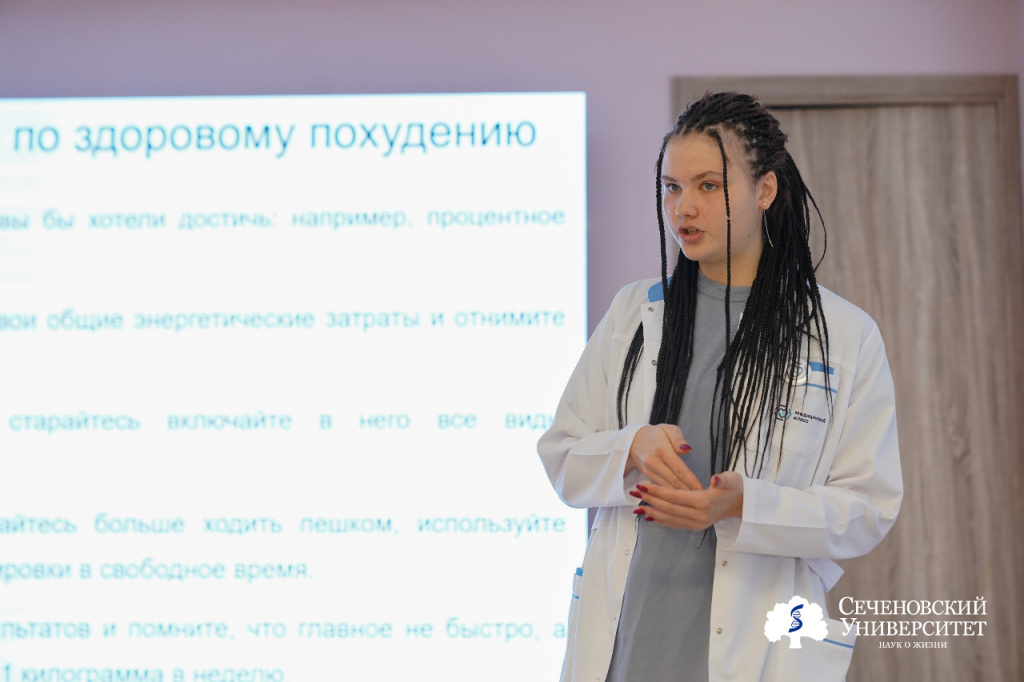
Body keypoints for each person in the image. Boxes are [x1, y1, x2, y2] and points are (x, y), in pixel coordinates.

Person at [537, 92, 903, 682]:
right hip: (629, 642)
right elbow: (561, 457)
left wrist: (744, 506)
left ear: (765, 190)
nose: (683, 207)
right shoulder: (634, 314)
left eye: (708, 186)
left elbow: (867, 509)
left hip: (759, 648)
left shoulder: (841, 334)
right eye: (671, 187)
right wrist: (630, 447)